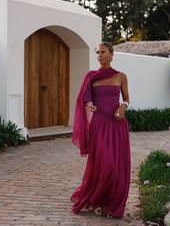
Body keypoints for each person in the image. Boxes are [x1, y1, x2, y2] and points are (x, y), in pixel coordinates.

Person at [71, 42, 131, 218]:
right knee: (104, 164)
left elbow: (127, 99)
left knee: (116, 166)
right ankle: (97, 199)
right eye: (97, 52)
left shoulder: (121, 76)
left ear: (112, 54)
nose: (99, 55)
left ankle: (111, 203)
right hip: (98, 125)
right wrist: (89, 104)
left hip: (117, 125)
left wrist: (123, 107)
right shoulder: (91, 76)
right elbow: (85, 96)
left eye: (103, 52)